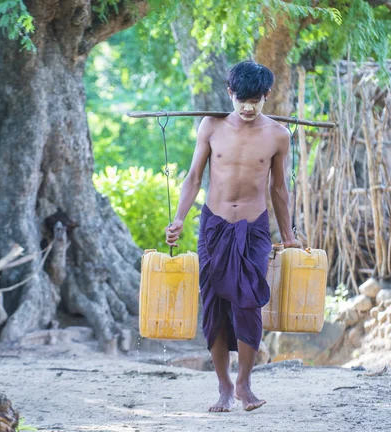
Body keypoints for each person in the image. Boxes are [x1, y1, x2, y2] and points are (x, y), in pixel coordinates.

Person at [165, 60, 303, 412]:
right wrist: (179, 219)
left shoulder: (278, 135)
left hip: (254, 228)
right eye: (241, 99)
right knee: (213, 304)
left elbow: (279, 188)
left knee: (248, 302)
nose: (247, 107)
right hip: (214, 226)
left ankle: (244, 383)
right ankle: (224, 385)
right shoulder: (211, 127)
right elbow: (194, 177)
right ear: (230, 93)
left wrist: (288, 235)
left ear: (266, 96)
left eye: (255, 100)